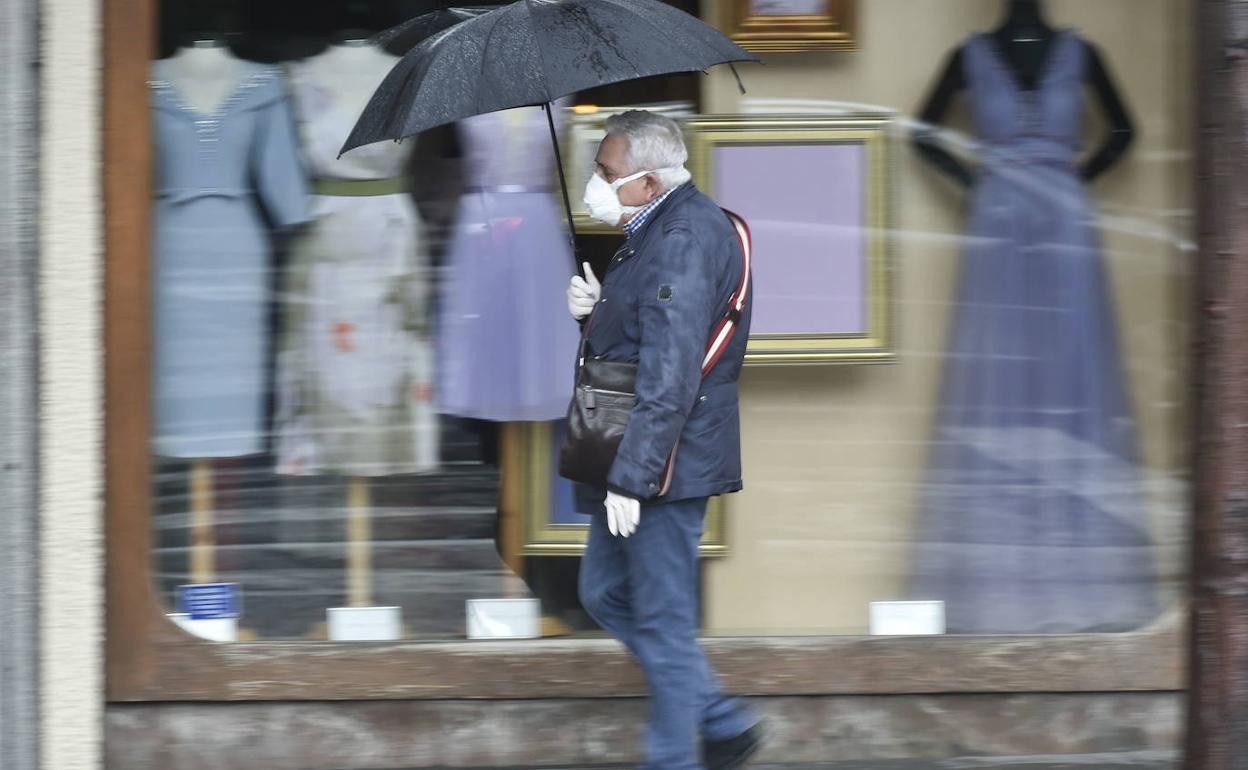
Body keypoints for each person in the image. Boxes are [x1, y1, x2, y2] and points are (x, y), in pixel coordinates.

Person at [565, 110, 762, 770]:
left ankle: (675, 757)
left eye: (606, 171)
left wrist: (633, 477)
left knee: (662, 618)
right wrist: (597, 311)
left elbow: (672, 372)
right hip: (642, 451)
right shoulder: (659, 225)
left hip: (660, 461)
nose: (595, 182)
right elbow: (652, 331)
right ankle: (719, 717)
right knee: (604, 593)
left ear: (648, 182)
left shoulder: (680, 238)